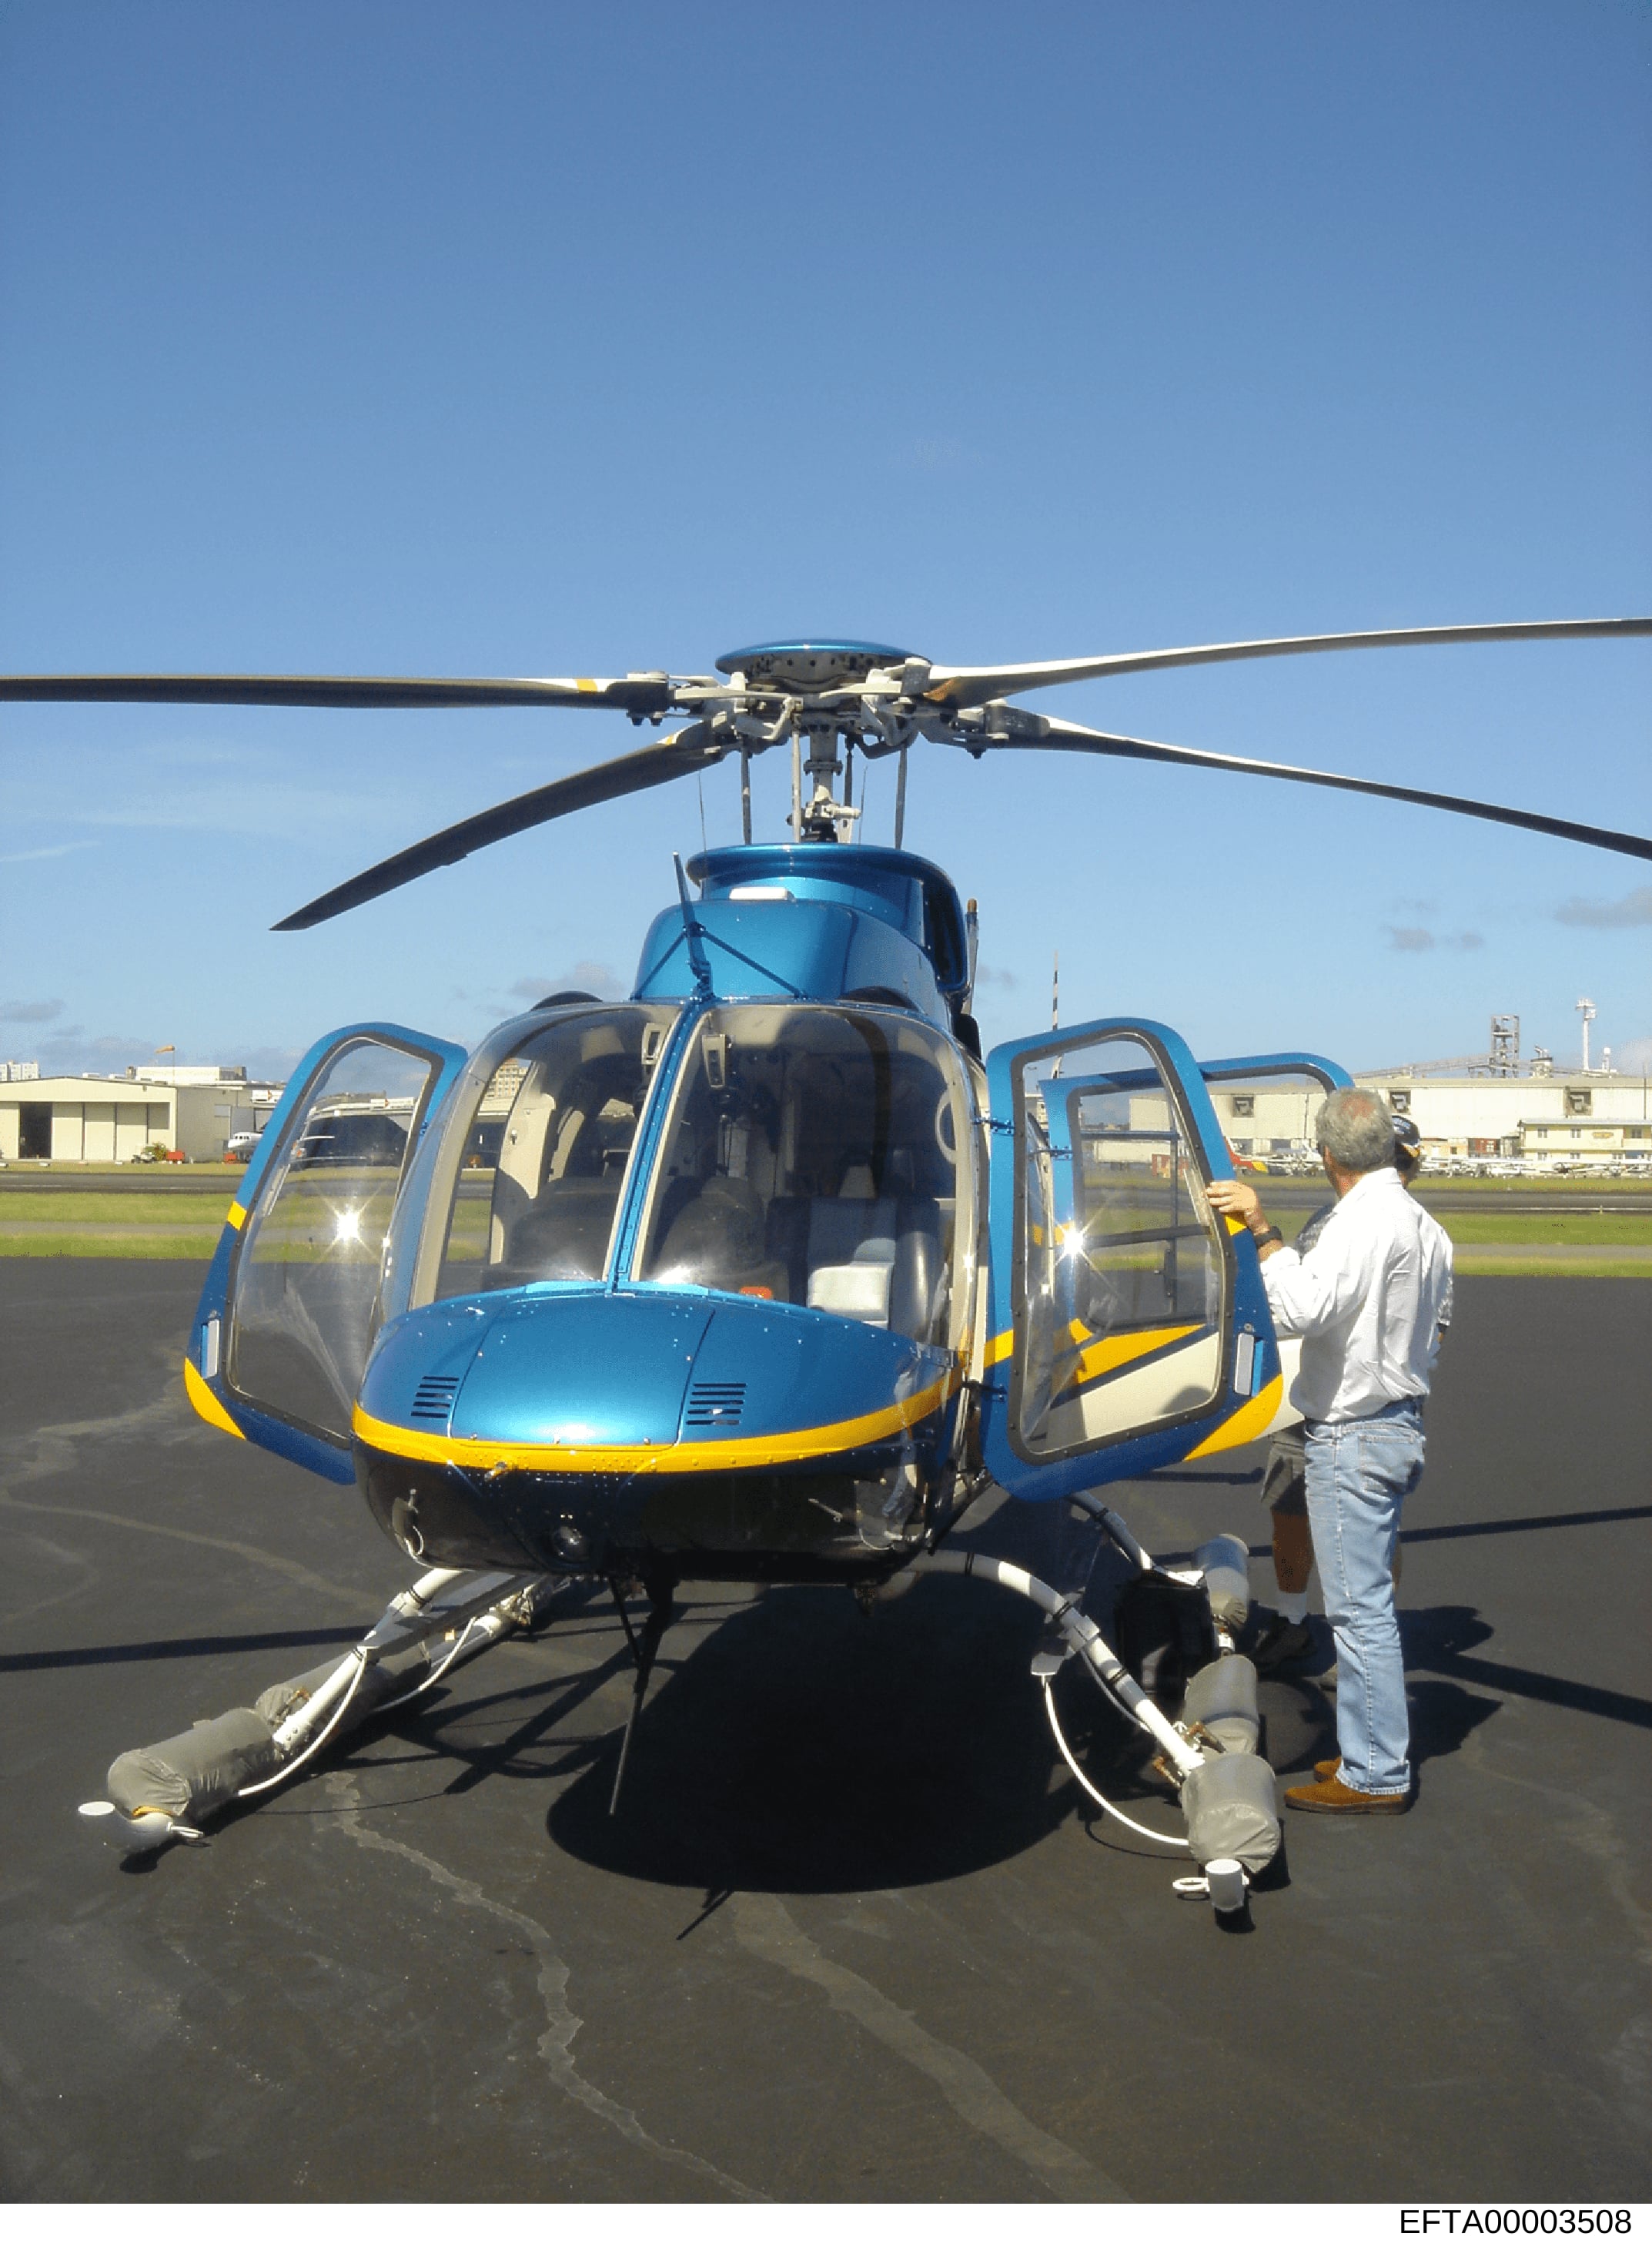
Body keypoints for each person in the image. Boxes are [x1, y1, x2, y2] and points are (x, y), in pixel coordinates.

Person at [1208, 1086, 1453, 1813]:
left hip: (1354, 1432)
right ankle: (1367, 1755)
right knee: (1366, 1604)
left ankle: (1375, 1775)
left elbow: (1301, 1307)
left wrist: (1261, 1230)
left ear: (1327, 1157)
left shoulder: (1358, 1221)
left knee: (1358, 1614)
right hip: (1397, 1421)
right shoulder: (1425, 1226)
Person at [1249, 1114, 1449, 1671]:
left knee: (1372, 1540)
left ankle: (1357, 1650)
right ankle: (1293, 1621)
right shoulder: (1331, 1221)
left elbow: (1430, 1333)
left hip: (1364, 1408)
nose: (1398, 1171)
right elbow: (1299, 1293)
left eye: (1404, 1162)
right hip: (1307, 1395)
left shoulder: (1419, 1232)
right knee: (1288, 1511)